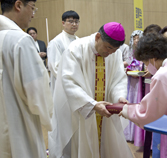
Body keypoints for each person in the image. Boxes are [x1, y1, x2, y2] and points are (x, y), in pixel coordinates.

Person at [48, 22, 133, 158]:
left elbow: (118, 80)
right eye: (108, 48)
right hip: (81, 112)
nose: (110, 53)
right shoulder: (76, 49)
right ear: (98, 37)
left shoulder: (113, 54)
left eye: (114, 50)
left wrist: (119, 97)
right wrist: (92, 105)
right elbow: (69, 82)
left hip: (105, 112)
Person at [0, 0, 53, 157]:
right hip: (19, 119)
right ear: (18, 5)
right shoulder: (21, 40)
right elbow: (35, 89)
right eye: (32, 8)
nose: (32, 14)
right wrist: (47, 115)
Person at [47, 10, 79, 95]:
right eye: (71, 21)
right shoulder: (56, 42)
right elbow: (54, 67)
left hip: (78, 83)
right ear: (63, 23)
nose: (74, 24)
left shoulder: (80, 41)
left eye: (76, 22)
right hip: (63, 84)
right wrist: (70, 83)